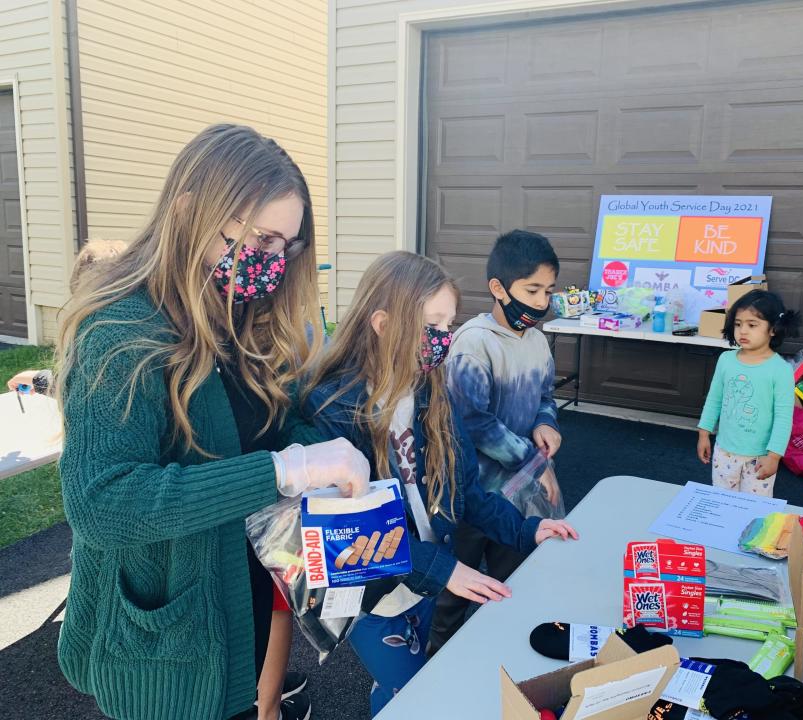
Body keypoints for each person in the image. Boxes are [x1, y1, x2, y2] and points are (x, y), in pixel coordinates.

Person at [54, 124, 370, 720]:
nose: (274, 262)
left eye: (288, 246)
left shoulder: (239, 318)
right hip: (166, 633)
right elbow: (102, 504)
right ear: (192, 212)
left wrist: (319, 453)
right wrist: (285, 470)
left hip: (241, 595)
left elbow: (275, 424)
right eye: (262, 239)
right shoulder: (120, 334)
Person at [303, 250, 578, 716]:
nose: (442, 340)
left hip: (425, 578)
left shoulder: (431, 391)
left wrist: (525, 529)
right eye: (432, 325)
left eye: (447, 326)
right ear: (383, 323)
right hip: (371, 593)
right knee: (417, 693)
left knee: (400, 690)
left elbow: (466, 490)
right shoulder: (331, 409)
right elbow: (352, 535)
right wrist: (447, 571)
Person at [430, 229, 563, 651]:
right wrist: (535, 461)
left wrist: (547, 423)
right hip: (471, 495)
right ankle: (435, 660)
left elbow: (546, 396)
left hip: (518, 496)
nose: (542, 302)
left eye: (549, 290)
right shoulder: (473, 343)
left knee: (511, 580)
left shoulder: (539, 341)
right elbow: (472, 422)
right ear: (498, 288)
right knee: (456, 586)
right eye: (532, 290)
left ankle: (499, 655)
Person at [696, 290, 800, 496]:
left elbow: (783, 418)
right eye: (737, 324)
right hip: (724, 451)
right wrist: (703, 433)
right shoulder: (726, 360)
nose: (743, 331)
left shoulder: (781, 370)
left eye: (752, 325)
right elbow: (714, 399)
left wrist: (774, 456)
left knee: (754, 511)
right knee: (722, 503)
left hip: (760, 457)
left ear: (773, 329)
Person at [6, 238, 127, 395]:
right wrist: (36, 379)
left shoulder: (102, 336)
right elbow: (80, 382)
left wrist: (37, 378)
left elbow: (81, 391)